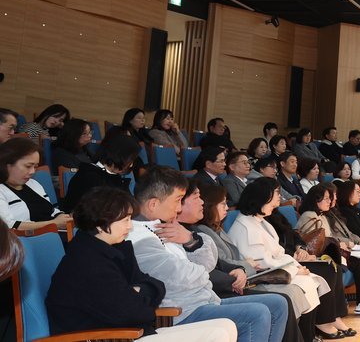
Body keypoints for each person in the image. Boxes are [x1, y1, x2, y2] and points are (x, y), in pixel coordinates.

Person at [45, 186, 238, 342]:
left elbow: (156, 286)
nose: (130, 226)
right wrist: (139, 293)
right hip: (106, 337)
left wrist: (137, 291)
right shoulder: (88, 262)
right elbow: (135, 313)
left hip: (129, 333)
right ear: (101, 224)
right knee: (217, 334)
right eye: (125, 220)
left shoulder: (116, 249)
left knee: (225, 325)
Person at [127, 166, 288, 342]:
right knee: (257, 314)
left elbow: (208, 263)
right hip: (180, 312)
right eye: (178, 200)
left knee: (278, 304)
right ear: (153, 204)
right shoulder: (138, 237)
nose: (179, 208)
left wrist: (190, 240)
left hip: (203, 300)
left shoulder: (165, 226)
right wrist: (203, 273)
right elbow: (179, 279)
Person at [227, 178, 353, 333]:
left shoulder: (261, 221)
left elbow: (279, 251)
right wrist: (295, 269)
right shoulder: (246, 227)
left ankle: (315, 330)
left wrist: (296, 266)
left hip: (282, 266)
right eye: (276, 193)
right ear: (263, 197)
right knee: (307, 283)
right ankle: (313, 331)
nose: (279, 197)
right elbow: (262, 262)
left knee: (314, 279)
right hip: (262, 276)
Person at [297, 183, 360, 310]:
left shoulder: (321, 215)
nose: (330, 201)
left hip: (334, 250)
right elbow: (317, 242)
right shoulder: (309, 216)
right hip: (324, 255)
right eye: (326, 198)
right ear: (316, 200)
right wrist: (341, 244)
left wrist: (344, 243)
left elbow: (333, 237)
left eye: (331, 197)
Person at [0, 138, 70, 231]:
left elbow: (52, 210)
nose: (32, 171)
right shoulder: (2, 190)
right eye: (28, 166)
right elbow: (9, 226)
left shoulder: (33, 184)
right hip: (27, 238)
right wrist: (53, 224)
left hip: (54, 233)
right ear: (7, 164)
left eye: (35, 167)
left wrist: (61, 217)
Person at [60, 134, 139, 213]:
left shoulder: (113, 176)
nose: (131, 165)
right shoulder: (89, 176)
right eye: (130, 160)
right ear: (119, 156)